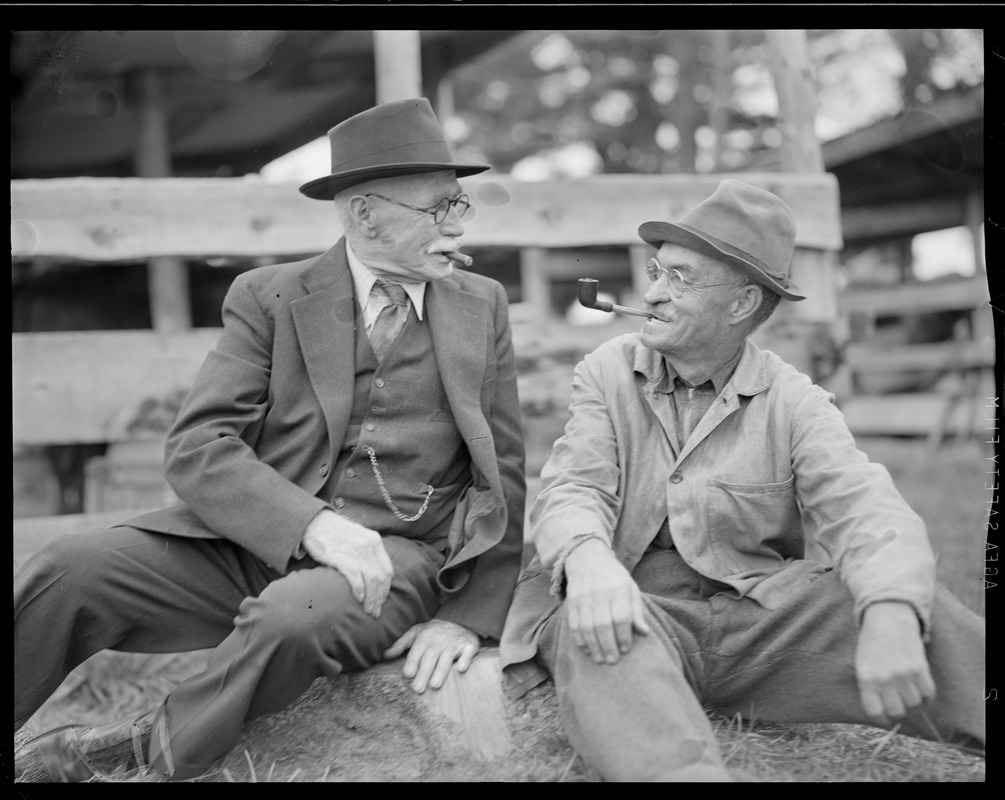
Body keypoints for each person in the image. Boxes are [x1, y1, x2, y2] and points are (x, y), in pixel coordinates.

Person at [15, 97, 526, 782]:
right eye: (437, 208)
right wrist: (310, 525)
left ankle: (127, 753)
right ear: (364, 214)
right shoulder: (269, 296)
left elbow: (505, 471)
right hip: (254, 546)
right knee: (68, 569)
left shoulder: (481, 305)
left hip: (397, 560)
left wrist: (470, 615)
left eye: (459, 205)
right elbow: (199, 446)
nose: (456, 226)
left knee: (293, 615)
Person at [499, 179, 985, 781]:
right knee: (593, 627)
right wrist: (588, 560)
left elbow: (865, 509)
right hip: (632, 608)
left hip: (752, 624)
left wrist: (889, 609)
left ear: (741, 305)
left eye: (680, 278)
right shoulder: (607, 372)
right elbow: (575, 487)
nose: (651, 292)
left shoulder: (794, 400)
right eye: (658, 270)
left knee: (904, 604)